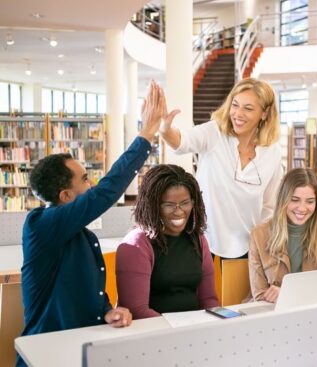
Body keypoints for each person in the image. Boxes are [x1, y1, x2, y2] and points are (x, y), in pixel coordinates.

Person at [18, 82, 164, 365]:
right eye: (85, 179)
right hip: (47, 356)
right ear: (65, 196)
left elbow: (84, 290)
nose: (92, 184)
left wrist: (106, 311)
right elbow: (105, 192)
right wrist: (145, 134)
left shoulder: (82, 235)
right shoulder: (40, 225)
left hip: (84, 348)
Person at [159, 78, 283, 259]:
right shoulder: (214, 133)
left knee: (239, 289)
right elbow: (181, 142)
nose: (238, 113)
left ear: (264, 114)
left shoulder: (272, 152)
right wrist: (164, 129)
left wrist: (262, 244)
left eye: (248, 108)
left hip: (248, 247)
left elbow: (269, 206)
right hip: (203, 241)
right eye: (235, 105)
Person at [115, 164, 218, 318]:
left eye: (185, 203)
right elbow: (137, 311)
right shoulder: (136, 244)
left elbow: (209, 299)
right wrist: (180, 331)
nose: (179, 211)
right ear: (153, 206)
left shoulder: (198, 239)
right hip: (154, 334)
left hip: (193, 330)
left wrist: (221, 321)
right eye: (169, 205)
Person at [249, 168, 317, 302]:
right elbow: (260, 295)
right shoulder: (259, 235)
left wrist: (288, 294)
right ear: (283, 199)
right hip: (274, 313)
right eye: (295, 200)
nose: (302, 208)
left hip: (315, 310)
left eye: (310, 201)